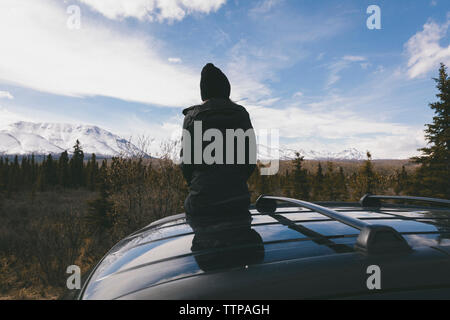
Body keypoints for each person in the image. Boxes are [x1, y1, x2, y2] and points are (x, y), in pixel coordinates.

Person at [181, 63, 256, 222]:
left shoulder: (192, 118)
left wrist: (199, 186)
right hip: (237, 202)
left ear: (204, 92)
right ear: (226, 89)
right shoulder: (241, 114)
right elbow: (250, 161)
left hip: (201, 204)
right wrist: (235, 183)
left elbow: (186, 165)